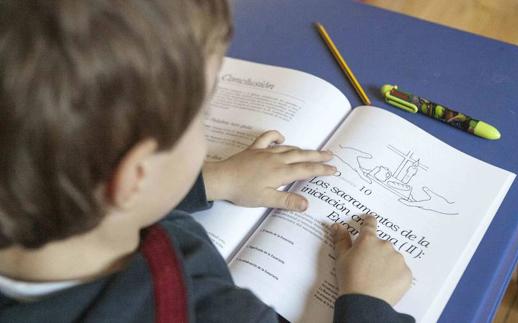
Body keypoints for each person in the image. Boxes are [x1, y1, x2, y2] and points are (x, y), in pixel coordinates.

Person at [0, 0, 414, 322]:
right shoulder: (213, 311)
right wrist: (369, 304)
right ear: (136, 177)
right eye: (204, 113)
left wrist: (213, 180)